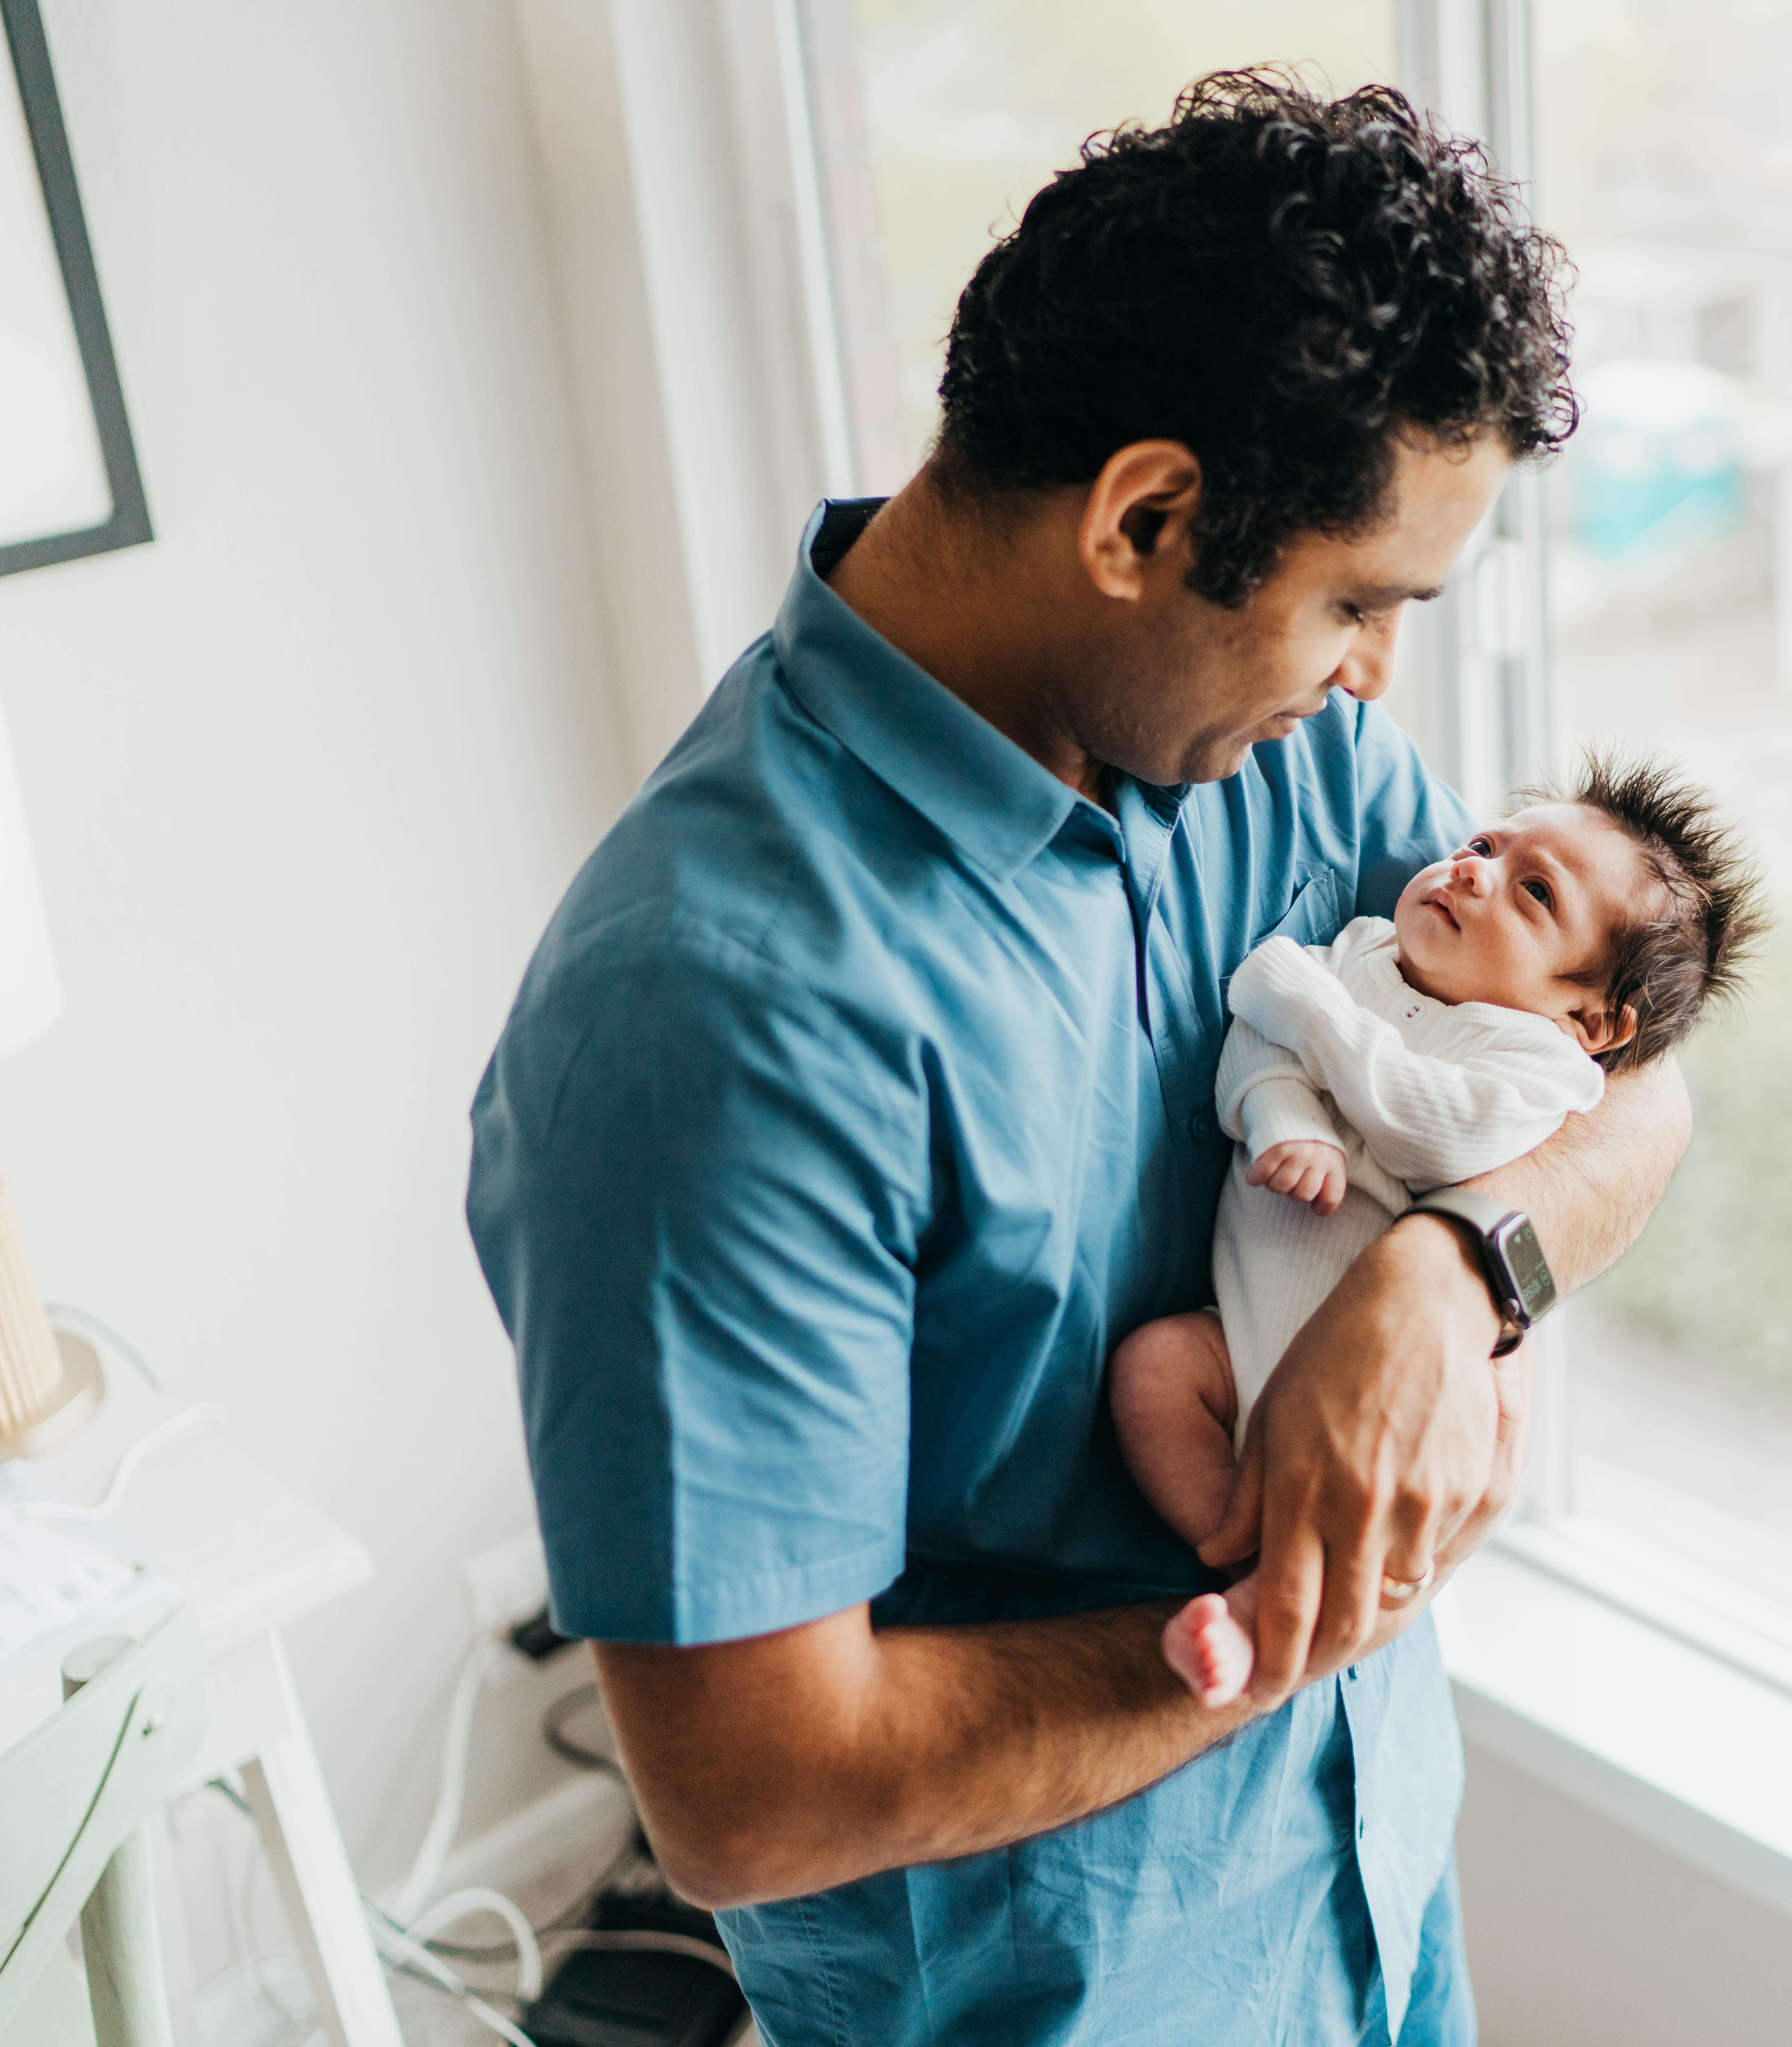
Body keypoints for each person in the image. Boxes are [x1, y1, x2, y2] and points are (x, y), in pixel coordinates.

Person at [465, 72, 1692, 2047]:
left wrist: (1453, 1280)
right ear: (1146, 519)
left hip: (1377, 1918)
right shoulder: (709, 1018)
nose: (1380, 673)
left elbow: (1629, 1085)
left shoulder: (1284, 755)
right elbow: (750, 1795)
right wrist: (1303, 1622)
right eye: (1360, 604)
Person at [1116, 759, 1762, 1708]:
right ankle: (1229, 1538)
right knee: (1154, 1373)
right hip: (1240, 1330)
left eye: (1533, 893)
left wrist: (1308, 1009)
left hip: (1391, 1390)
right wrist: (1281, 1115)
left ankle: (1262, 1616)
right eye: (1483, 846)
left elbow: (1434, 1121)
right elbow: (1256, 1041)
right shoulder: (1370, 953)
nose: (1472, 869)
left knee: (1363, 1534)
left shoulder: (1538, 1065)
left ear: (1592, 1018)